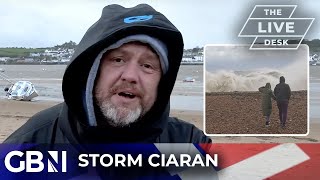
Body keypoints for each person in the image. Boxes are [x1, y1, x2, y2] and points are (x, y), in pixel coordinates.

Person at [4, 4, 211, 144]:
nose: (130, 76)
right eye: (118, 60)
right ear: (92, 71)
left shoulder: (188, 144)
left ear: (162, 82)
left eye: (148, 65)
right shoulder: (33, 144)